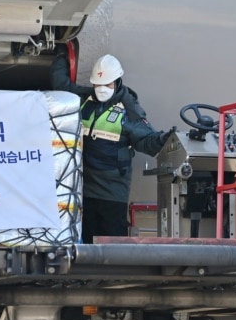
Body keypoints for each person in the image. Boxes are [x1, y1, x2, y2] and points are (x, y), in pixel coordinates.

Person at [51, 48, 175, 243]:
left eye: (106, 84)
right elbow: (62, 87)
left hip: (112, 192)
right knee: (85, 241)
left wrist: (164, 139)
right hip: (84, 189)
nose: (101, 88)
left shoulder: (128, 109)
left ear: (117, 82)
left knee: (111, 244)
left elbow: (146, 142)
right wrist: (62, 56)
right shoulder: (85, 100)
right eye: (97, 84)